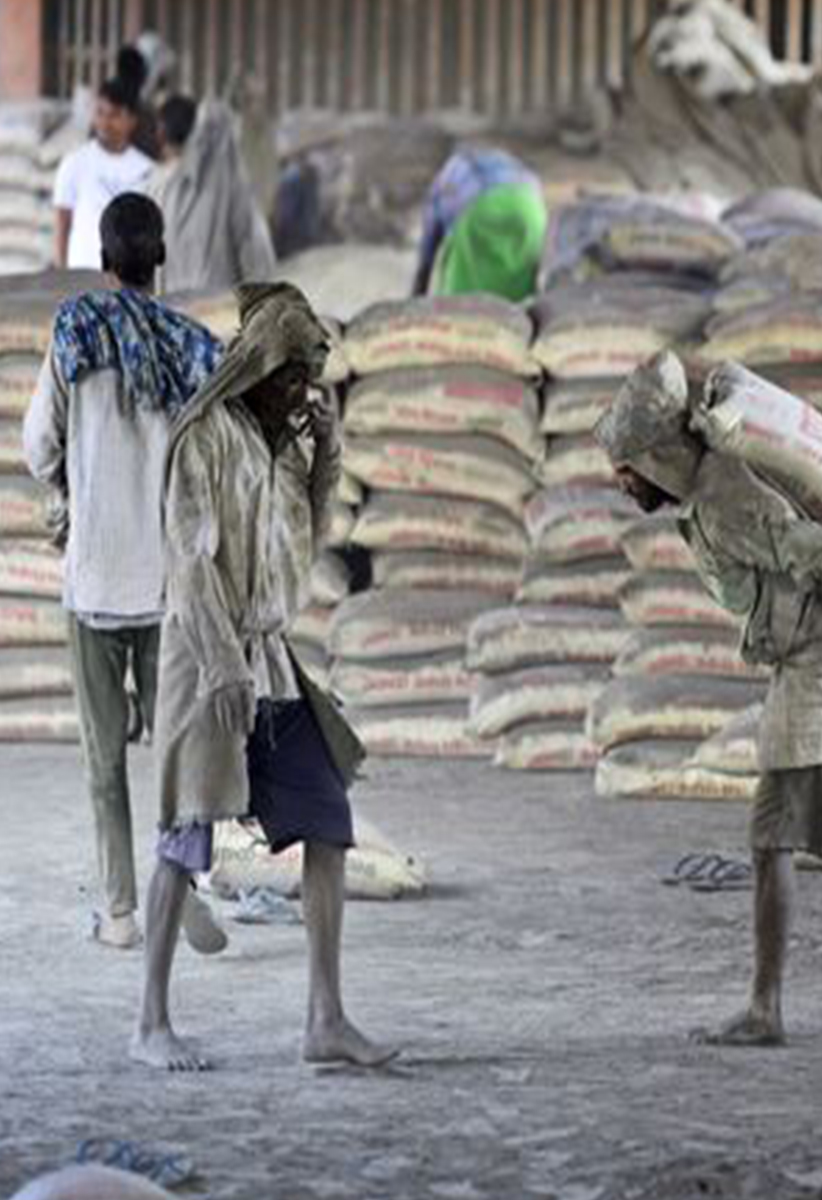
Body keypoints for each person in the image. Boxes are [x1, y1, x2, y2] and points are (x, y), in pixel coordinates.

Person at [595, 352, 822, 1048]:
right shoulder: (706, 496)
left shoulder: (723, 495)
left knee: (770, 837)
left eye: (625, 469)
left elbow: (819, 550)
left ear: (656, 455)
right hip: (817, 661)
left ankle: (764, 1009)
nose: (621, 483)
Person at [133, 282, 393, 1073]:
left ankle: (325, 1019)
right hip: (206, 661)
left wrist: (327, 451)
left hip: (271, 662)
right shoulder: (206, 437)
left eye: (306, 386)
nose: (297, 397)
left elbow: (303, 541)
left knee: (327, 816)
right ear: (256, 369)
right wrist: (220, 668)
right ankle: (151, 1023)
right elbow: (191, 561)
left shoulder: (280, 447)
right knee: (185, 835)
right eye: (289, 382)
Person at [24, 194, 227, 955]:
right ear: (160, 259)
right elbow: (214, 460)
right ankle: (185, 888)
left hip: (97, 578)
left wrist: (74, 483)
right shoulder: (193, 346)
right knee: (177, 753)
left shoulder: (76, 329)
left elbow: (40, 446)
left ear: (105, 261)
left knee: (103, 760)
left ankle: (118, 913)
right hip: (167, 581)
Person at [144, 94, 276, 292]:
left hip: (171, 308)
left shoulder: (154, 186)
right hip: (218, 310)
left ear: (161, 132)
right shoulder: (230, 179)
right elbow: (254, 251)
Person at [412, 148, 546, 302]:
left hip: (481, 205)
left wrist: (416, 299)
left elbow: (427, 252)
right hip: (531, 205)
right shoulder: (502, 163)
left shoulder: (442, 182)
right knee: (518, 289)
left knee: (459, 304)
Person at [53, 76, 154, 271]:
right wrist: (60, 277)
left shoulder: (147, 170)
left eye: (115, 115)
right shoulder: (74, 163)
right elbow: (61, 223)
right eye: (100, 112)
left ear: (132, 120)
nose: (105, 123)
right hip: (81, 278)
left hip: (130, 283)